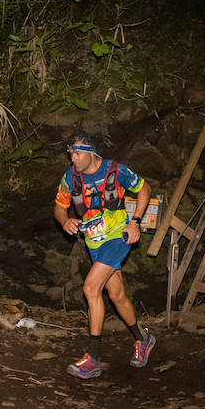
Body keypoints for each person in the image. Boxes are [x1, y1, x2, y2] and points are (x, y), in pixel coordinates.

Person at [52, 131, 155, 380]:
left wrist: (135, 222)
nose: (72, 159)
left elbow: (145, 188)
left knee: (90, 288)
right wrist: (65, 221)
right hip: (94, 242)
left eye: (76, 154)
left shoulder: (115, 170)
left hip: (118, 237)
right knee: (117, 295)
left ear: (90, 153)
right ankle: (144, 339)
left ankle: (93, 358)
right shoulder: (71, 177)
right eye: (71, 154)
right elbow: (59, 208)